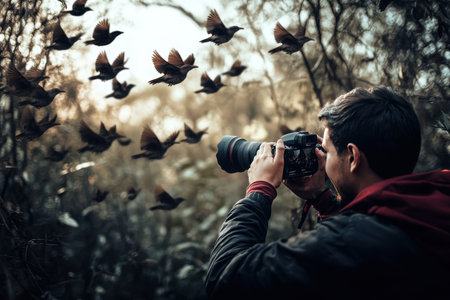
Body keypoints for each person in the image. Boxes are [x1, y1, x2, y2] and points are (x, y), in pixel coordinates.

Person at [205, 87, 450, 300]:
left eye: (326, 150)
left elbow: (225, 280)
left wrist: (260, 189)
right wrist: (324, 200)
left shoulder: (351, 242)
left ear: (353, 157)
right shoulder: (432, 204)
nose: (321, 158)